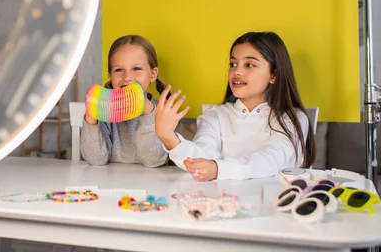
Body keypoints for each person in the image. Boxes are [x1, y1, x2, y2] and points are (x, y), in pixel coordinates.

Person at [155, 31, 315, 181]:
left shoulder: (292, 119)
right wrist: (168, 138)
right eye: (233, 64)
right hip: (223, 205)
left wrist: (218, 169)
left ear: (273, 75)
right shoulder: (215, 115)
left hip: (275, 207)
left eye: (249, 65)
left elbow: (269, 161)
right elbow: (201, 158)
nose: (237, 71)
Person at [80, 35, 169, 167]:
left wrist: (147, 112)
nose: (127, 77)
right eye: (118, 70)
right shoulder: (105, 111)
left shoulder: (163, 112)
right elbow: (96, 159)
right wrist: (91, 117)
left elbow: (154, 161)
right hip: (108, 184)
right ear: (111, 75)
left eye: (136, 69)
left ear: (153, 74)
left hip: (150, 185)